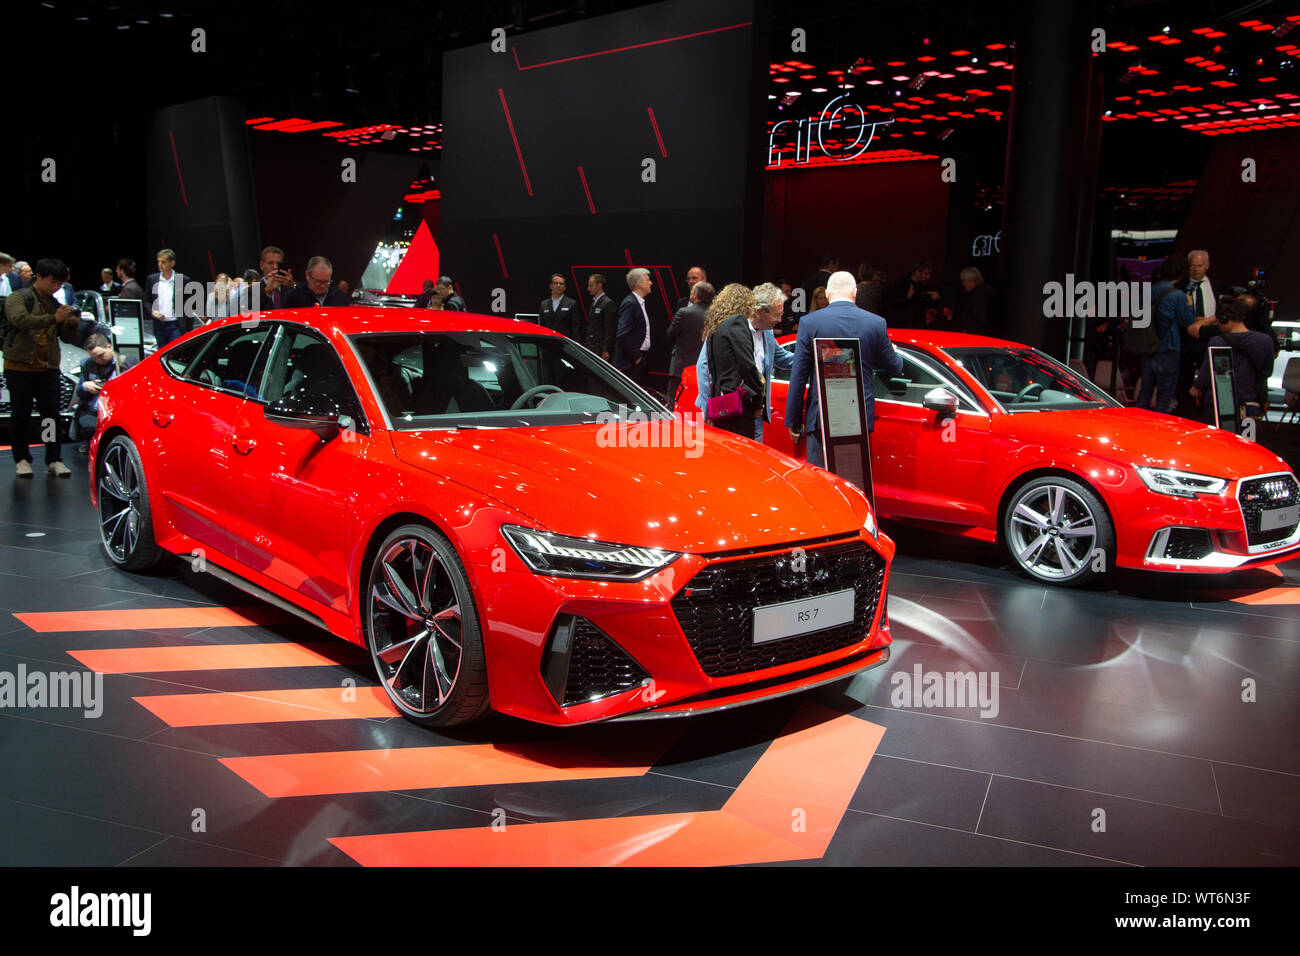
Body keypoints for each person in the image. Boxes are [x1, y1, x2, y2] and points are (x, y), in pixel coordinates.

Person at [786, 270, 903, 468]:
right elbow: (894, 367)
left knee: (822, 484)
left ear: (829, 294)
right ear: (854, 293)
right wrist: (893, 351)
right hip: (857, 417)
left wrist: (794, 421)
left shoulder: (809, 322)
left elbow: (798, 375)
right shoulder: (876, 323)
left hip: (820, 417)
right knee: (853, 482)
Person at [3, 258, 81, 477]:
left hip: (48, 368)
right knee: (21, 415)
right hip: (19, 367)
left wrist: (71, 324)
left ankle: (53, 458)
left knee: (51, 417)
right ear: (39, 276)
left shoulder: (55, 304)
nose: (56, 287)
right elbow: (20, 320)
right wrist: (53, 318)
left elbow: (65, 338)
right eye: (53, 281)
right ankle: (21, 459)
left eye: (60, 283)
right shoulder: (18, 297)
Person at [696, 282, 795, 441]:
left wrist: (811, 359)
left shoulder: (767, 333)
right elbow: (705, 368)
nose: (779, 320)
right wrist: (710, 408)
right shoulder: (727, 329)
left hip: (755, 411)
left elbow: (782, 358)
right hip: (730, 409)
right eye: (777, 315)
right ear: (759, 312)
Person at [1190, 295, 1274, 422]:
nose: (1219, 327)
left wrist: (1196, 387)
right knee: (1245, 440)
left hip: (1220, 402)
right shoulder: (1265, 340)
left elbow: (1207, 371)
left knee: (1219, 439)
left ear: (1224, 319)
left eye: (1219, 323)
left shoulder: (1217, 341)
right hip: (1251, 401)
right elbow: (1267, 372)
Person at [698, 283, 765, 438]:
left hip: (720, 402)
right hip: (737, 405)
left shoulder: (716, 328)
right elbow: (748, 366)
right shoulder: (738, 321)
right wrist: (758, 400)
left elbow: (710, 370)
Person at [1135, 253, 1196, 415]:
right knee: (1164, 396)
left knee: (1145, 392)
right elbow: (1187, 323)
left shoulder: (1148, 291)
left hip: (1148, 346)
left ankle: (1135, 425)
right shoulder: (1177, 296)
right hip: (1168, 348)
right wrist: (1189, 305)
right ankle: (1158, 431)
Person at [74, 333, 136, 452]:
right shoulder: (88, 364)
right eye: (94, 357)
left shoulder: (127, 363)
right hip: (94, 410)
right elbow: (79, 392)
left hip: (117, 410)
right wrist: (86, 386)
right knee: (88, 425)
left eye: (100, 355)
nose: (98, 360)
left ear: (109, 347)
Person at [665, 281, 713, 408]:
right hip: (705, 369)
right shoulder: (715, 316)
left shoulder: (684, 312)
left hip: (681, 366)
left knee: (672, 404)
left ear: (695, 295)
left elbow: (670, 334)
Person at [144, 248, 197, 346]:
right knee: (160, 354)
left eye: (163, 262)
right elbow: (146, 300)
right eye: (158, 261)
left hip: (176, 324)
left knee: (174, 354)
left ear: (172, 263)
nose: (160, 264)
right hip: (159, 325)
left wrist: (189, 330)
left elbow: (188, 306)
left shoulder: (182, 280)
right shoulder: (152, 279)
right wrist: (153, 311)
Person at [615, 268, 654, 386]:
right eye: (648, 280)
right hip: (630, 362)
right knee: (623, 397)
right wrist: (636, 357)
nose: (651, 283)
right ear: (639, 283)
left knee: (634, 399)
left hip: (638, 359)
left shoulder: (639, 302)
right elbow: (622, 334)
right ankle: (622, 407)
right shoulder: (630, 303)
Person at [884, 260, 941, 328]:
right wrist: (907, 298)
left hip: (917, 325)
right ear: (917, 272)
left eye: (929, 274)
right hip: (901, 325)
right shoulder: (901, 283)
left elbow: (926, 306)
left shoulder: (924, 287)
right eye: (926, 274)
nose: (928, 277)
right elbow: (893, 303)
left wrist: (935, 299)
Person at [282, 256, 349, 308]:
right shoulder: (294, 297)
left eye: (326, 282)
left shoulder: (340, 297)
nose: (322, 286)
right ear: (308, 276)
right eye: (318, 282)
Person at [244, 245, 293, 312]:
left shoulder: (290, 286)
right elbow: (249, 312)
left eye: (278, 264)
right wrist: (267, 291)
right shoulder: (252, 291)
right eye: (270, 263)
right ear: (261, 265)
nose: (275, 267)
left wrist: (292, 287)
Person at [953, 266, 998, 336]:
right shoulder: (983, 292)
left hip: (979, 337)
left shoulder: (981, 294)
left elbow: (981, 318)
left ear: (973, 281)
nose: (963, 284)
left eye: (964, 281)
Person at [585, 273, 618, 361]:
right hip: (591, 346)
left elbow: (610, 329)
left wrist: (605, 350)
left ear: (599, 285)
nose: (588, 289)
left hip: (600, 349)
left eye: (591, 285)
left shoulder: (608, 303)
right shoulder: (593, 302)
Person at [539, 273, 577, 337]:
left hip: (564, 343)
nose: (558, 285)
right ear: (551, 286)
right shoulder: (543, 304)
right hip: (547, 342)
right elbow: (541, 326)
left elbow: (575, 327)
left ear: (564, 287)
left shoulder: (571, 304)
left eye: (561, 283)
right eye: (556, 283)